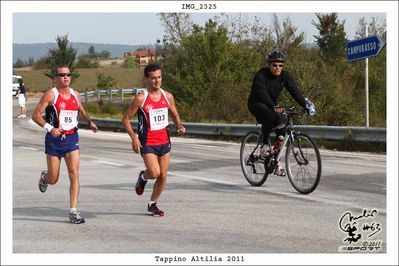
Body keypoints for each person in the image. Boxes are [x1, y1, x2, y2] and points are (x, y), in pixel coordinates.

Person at [32, 65, 98, 224]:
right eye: (62, 75)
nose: (65, 77)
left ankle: (73, 212)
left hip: (71, 138)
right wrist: (50, 128)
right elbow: (35, 116)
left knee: (74, 173)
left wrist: (89, 121)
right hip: (54, 140)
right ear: (56, 78)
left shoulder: (75, 94)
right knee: (54, 178)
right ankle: (45, 177)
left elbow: (80, 109)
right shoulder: (51, 95)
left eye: (68, 74)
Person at [122, 63, 185, 217]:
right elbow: (125, 119)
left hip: (164, 141)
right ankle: (143, 177)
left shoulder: (167, 96)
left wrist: (179, 126)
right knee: (155, 172)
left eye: (159, 77)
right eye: (153, 78)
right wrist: (134, 138)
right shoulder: (141, 98)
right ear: (146, 79)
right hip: (148, 141)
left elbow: (175, 114)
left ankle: (153, 204)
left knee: (163, 175)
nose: (157, 81)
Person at [247, 51, 315, 176]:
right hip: (257, 103)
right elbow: (261, 92)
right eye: (274, 65)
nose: (278, 68)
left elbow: (295, 91)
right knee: (269, 115)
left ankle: (275, 160)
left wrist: (306, 105)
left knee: (282, 131)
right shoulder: (261, 75)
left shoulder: (285, 76)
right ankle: (264, 145)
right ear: (268, 65)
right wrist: (274, 107)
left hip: (272, 105)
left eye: (280, 65)